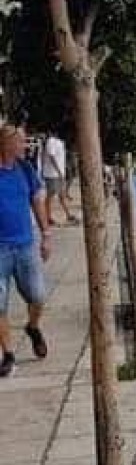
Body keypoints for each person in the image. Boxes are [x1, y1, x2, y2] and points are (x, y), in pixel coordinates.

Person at [0, 123, 51, 379]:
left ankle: (32, 326)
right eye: (19, 142)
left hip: (25, 245)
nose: (23, 146)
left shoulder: (25, 169)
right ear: (5, 144)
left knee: (38, 296)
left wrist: (46, 234)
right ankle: (8, 354)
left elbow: (37, 200)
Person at [41, 129, 78, 225]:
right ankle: (47, 216)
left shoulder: (60, 142)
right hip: (52, 174)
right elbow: (51, 156)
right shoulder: (51, 141)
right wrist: (58, 170)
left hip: (59, 173)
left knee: (62, 195)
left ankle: (68, 215)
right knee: (50, 195)